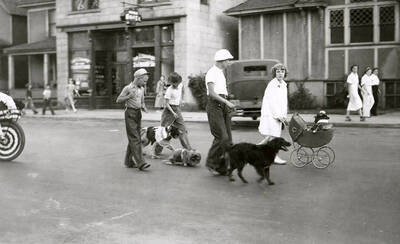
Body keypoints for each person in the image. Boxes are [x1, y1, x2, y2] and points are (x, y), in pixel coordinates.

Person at [205, 49, 236, 175]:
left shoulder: (220, 72)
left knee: (228, 139)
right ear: (222, 60)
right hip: (215, 106)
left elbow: (222, 92)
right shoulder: (211, 72)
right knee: (221, 137)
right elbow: (212, 93)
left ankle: (221, 166)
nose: (229, 62)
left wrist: (228, 103)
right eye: (228, 60)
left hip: (223, 106)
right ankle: (211, 163)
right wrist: (226, 102)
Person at [116, 68, 151, 170]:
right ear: (138, 78)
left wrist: (143, 106)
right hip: (130, 113)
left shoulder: (142, 89)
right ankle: (141, 163)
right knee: (135, 138)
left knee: (135, 138)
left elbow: (142, 101)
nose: (145, 83)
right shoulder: (128, 88)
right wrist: (128, 97)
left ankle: (128, 161)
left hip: (138, 113)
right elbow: (118, 100)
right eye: (144, 81)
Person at [258, 63, 289, 164]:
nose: (280, 74)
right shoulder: (272, 84)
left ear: (285, 73)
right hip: (271, 114)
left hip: (278, 115)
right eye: (278, 71)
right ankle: (274, 157)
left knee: (271, 136)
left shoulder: (283, 84)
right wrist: (277, 115)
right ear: (274, 73)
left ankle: (256, 150)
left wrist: (284, 115)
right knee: (274, 137)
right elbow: (272, 102)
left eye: (282, 71)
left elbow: (284, 102)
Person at [161, 72, 192, 150]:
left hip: (177, 109)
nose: (177, 85)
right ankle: (157, 150)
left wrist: (181, 100)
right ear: (171, 82)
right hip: (169, 111)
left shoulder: (181, 85)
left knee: (182, 129)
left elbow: (183, 90)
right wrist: (173, 113)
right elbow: (166, 104)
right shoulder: (169, 90)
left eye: (178, 83)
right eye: (175, 83)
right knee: (164, 132)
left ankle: (188, 149)